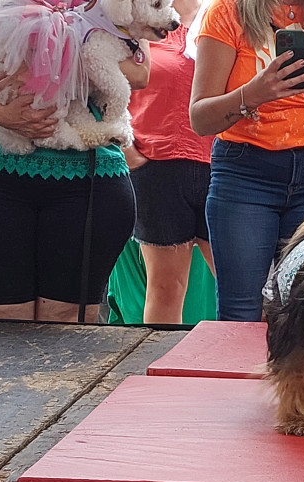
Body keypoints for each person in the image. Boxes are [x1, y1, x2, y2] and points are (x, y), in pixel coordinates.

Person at [0, 2, 146, 322]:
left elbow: (140, 72)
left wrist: (50, 57)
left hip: (89, 181)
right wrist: (2, 115)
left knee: (66, 328)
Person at [190, 0, 304, 322]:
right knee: (241, 311)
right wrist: (253, 92)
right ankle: (234, 374)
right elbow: (200, 118)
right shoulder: (228, 11)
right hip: (245, 173)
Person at [120, 0, 214, 324]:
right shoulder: (138, 13)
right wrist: (130, 155)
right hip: (153, 169)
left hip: (220, 168)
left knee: (243, 287)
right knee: (165, 289)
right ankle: (158, 374)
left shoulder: (225, 11)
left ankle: (249, 371)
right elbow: (106, 87)